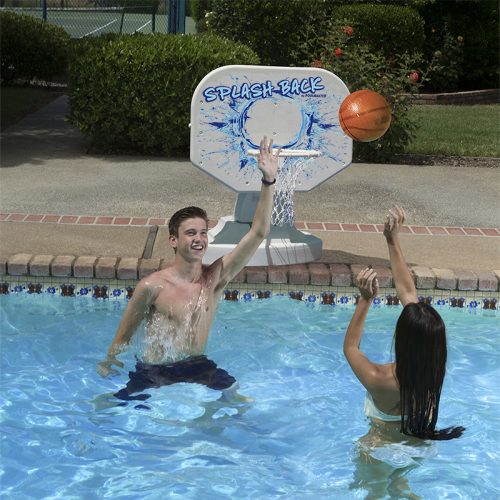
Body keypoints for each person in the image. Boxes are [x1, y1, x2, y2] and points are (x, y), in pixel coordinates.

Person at [97, 136, 280, 402]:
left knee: (240, 403)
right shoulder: (152, 287)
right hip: (154, 370)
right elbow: (123, 336)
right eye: (191, 233)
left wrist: (268, 182)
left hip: (197, 365)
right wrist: (109, 362)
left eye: (203, 233)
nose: (199, 239)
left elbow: (259, 231)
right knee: (114, 409)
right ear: (173, 240)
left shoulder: (214, 279)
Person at [343, 206, 465, 441]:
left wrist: (365, 300)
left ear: (402, 339)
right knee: (402, 480)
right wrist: (392, 240)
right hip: (418, 443)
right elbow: (408, 292)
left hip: (378, 447)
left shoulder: (380, 378)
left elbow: (350, 347)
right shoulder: (434, 370)